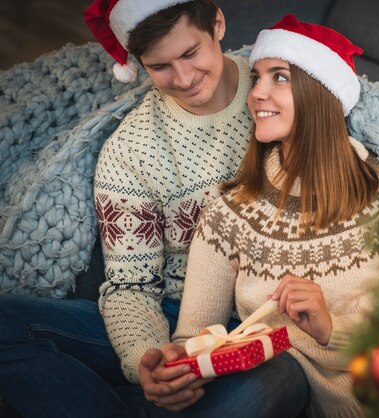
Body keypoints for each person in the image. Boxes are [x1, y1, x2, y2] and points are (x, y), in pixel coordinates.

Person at [0, 1, 308, 417]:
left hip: (262, 317)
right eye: (159, 66)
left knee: (277, 382)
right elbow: (131, 285)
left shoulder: (275, 88)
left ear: (217, 24)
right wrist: (149, 359)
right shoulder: (130, 152)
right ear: (139, 64)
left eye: (189, 53)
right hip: (172, 312)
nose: (183, 78)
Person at [170, 14, 379, 417]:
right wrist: (175, 369)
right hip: (273, 387)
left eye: (279, 77)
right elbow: (195, 335)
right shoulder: (231, 210)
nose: (257, 93)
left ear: (320, 92)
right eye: (257, 76)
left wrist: (331, 330)